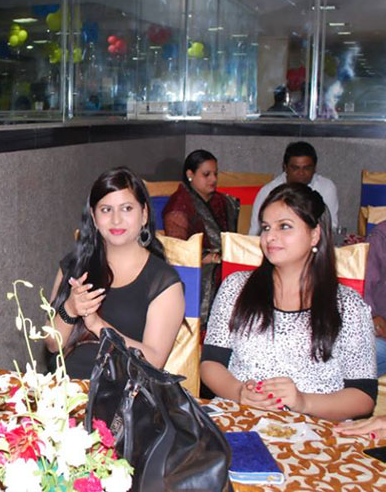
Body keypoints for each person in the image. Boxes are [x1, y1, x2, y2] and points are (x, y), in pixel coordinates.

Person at [201, 184, 376, 421]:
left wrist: (303, 401)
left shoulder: (347, 305)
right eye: (266, 227)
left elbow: (363, 396)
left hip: (314, 428)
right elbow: (211, 363)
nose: (270, 237)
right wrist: (239, 392)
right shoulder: (237, 288)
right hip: (241, 418)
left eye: (284, 226)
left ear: (315, 234)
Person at [45, 166, 185, 380]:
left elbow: (154, 363)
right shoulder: (74, 265)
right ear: (94, 217)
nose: (116, 220)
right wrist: (70, 308)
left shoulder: (163, 281)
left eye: (127, 208)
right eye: (106, 210)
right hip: (63, 389)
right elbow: (52, 344)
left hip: (124, 394)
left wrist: (98, 325)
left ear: (144, 214)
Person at [162, 149, 239, 321]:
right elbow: (179, 254)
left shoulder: (222, 201)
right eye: (206, 174)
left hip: (224, 261)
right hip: (197, 271)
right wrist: (213, 258)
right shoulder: (178, 207)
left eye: (215, 174)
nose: (213, 179)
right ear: (190, 174)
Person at [249, 141, 338, 235]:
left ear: (314, 168)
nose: (301, 173)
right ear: (285, 168)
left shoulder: (326, 188)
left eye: (307, 168)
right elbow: (255, 232)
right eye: (295, 168)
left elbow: (331, 228)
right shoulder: (268, 192)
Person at [364, 220, 386, 377]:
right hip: (382, 332)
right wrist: (372, 317)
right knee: (375, 349)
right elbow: (365, 286)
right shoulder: (381, 236)